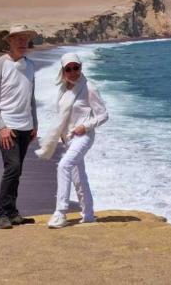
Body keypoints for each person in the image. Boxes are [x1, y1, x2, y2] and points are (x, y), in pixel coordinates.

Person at [35, 52, 108, 228]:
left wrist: (86, 126)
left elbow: (103, 115)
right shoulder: (63, 89)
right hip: (68, 138)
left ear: (81, 67)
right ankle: (88, 214)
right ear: (63, 71)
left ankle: (60, 213)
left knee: (64, 166)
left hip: (83, 136)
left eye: (76, 67)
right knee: (78, 177)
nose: (73, 72)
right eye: (69, 69)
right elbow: (62, 115)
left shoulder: (88, 87)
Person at [0, 24, 38, 229]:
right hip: (8, 127)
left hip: (26, 126)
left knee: (18, 170)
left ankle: (13, 212)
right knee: (12, 168)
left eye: (25, 39)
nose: (23, 43)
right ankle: (2, 214)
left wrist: (35, 124)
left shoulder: (31, 65)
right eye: (18, 39)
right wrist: (1, 127)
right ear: (10, 41)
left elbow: (31, 98)